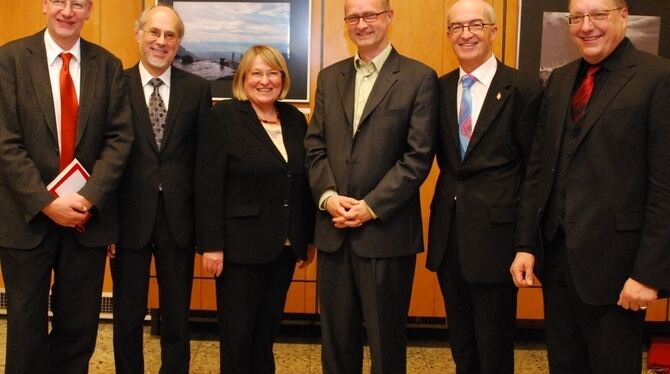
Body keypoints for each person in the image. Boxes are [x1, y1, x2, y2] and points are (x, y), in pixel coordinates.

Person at [510, 0, 670, 372]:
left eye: (598, 15)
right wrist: (525, 244)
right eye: (577, 17)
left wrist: (649, 273)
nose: (586, 26)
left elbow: (665, 186)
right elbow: (539, 168)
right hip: (558, 262)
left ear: (624, 16)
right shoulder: (561, 79)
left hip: (619, 269)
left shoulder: (658, 78)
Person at [303, 0, 438, 372]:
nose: (362, 24)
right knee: (335, 343)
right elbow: (314, 147)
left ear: (389, 18)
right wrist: (329, 198)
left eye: (371, 15)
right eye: (353, 17)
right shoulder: (330, 78)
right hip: (333, 231)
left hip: (386, 233)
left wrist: (369, 207)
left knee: (386, 343)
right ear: (346, 23)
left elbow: (417, 157)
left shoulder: (418, 77)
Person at [0, 0, 134, 372]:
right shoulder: (9, 59)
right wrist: (45, 202)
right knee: (25, 330)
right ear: (45, 5)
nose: (68, 11)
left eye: (78, 3)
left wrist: (88, 199)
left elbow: (120, 140)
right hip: (25, 219)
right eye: (60, 0)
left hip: (84, 220)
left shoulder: (107, 66)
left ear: (89, 11)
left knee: (78, 328)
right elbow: (4, 142)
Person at [426, 1, 542, 373]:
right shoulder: (440, 88)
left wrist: (526, 243)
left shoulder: (522, 86)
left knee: (493, 350)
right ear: (448, 35)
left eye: (476, 25)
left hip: (498, 238)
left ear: (493, 31)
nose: (466, 34)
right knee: (462, 346)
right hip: (449, 237)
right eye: (457, 27)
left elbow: (533, 172)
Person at [195, 45, 315, 374]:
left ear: (283, 78)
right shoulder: (222, 118)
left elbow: (301, 184)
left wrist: (306, 238)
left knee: (266, 335)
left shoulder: (294, 119)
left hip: (285, 249)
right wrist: (212, 245)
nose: (265, 80)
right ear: (243, 78)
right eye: (256, 73)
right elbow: (207, 185)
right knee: (237, 338)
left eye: (272, 73)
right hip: (238, 250)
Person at [108, 5, 212, 374]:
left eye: (170, 35)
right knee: (128, 315)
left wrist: (205, 229)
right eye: (154, 32)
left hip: (178, 221)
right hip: (127, 221)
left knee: (176, 316)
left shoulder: (197, 90)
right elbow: (103, 157)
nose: (161, 41)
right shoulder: (114, 85)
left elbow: (204, 164)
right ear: (138, 34)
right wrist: (106, 223)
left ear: (178, 42)